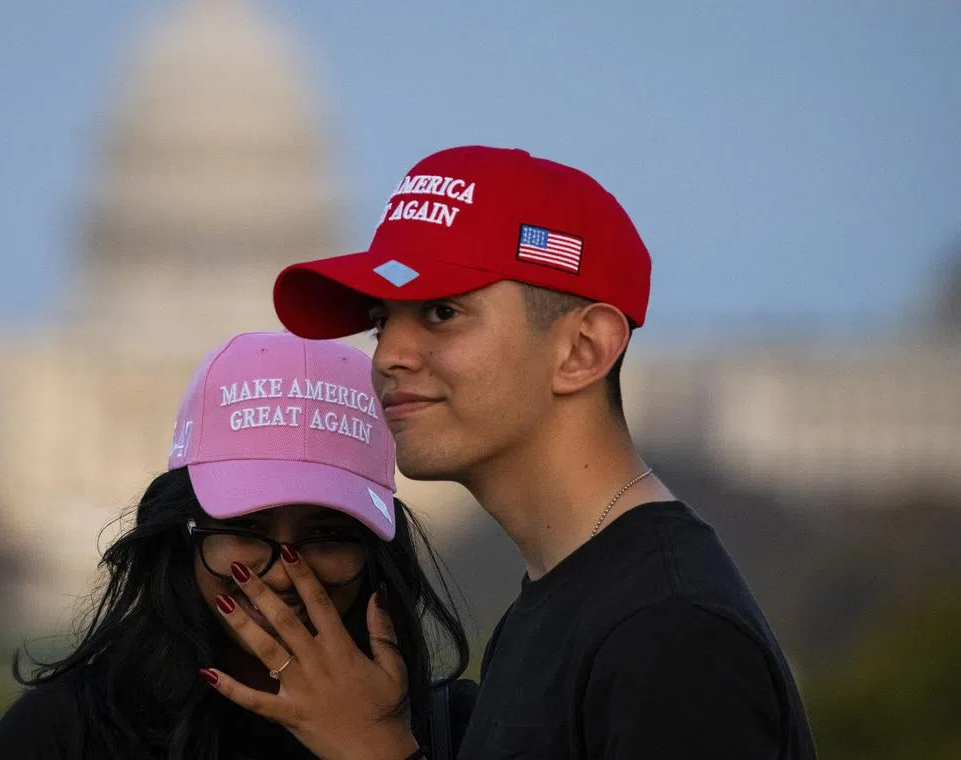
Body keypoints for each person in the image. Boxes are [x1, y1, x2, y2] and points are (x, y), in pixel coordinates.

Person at [267, 145, 817, 758]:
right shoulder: (565, 599)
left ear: (583, 350)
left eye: (442, 312)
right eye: (380, 322)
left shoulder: (672, 633)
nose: (388, 356)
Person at [0, 331, 477, 760]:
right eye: (245, 528)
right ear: (181, 534)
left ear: (378, 552)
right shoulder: (64, 734)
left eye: (327, 536)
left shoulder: (463, 728)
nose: (285, 573)